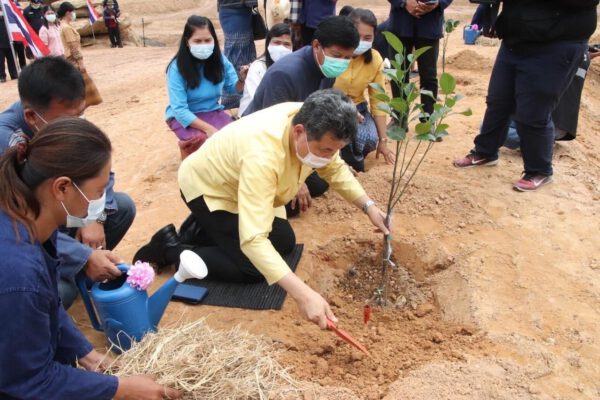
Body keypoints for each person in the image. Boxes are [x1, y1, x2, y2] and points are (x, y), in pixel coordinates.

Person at [0, 118, 182, 400]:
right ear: (62, 188)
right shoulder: (20, 274)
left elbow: (49, 303)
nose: (100, 202)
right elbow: (29, 382)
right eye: (98, 192)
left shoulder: (29, 217)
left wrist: (84, 353)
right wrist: (120, 389)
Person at [176, 89, 389, 329]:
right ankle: (170, 249)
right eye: (326, 150)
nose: (330, 157)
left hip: (245, 187)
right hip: (210, 190)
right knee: (253, 269)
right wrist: (305, 295)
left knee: (284, 242)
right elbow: (254, 240)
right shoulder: (263, 155)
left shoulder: (311, 117)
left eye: (335, 150)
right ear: (298, 132)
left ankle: (206, 229)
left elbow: (335, 168)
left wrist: (368, 207)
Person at [0, 57, 136, 309]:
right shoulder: (5, 141)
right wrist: (83, 257)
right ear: (31, 116)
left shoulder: (58, 122)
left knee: (122, 206)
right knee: (57, 292)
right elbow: (20, 224)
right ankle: (69, 276)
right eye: (71, 117)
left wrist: (94, 218)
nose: (78, 123)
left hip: (57, 219)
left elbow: (98, 169)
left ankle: (73, 271)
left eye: (81, 114)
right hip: (25, 235)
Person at [454, 0, 597, 192]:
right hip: (515, 39)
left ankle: (539, 170)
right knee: (498, 101)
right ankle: (485, 152)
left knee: (533, 112)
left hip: (556, 44)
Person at [243, 15, 358, 217]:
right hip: (261, 144)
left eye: (348, 58)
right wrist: (298, 181)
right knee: (293, 201)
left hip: (299, 135)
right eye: (337, 55)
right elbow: (273, 130)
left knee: (324, 178)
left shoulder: (325, 68)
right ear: (316, 46)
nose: (342, 63)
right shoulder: (286, 75)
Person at [165, 15, 247, 159]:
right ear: (187, 42)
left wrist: (242, 80)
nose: (203, 45)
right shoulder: (176, 68)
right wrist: (209, 129)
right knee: (203, 140)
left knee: (235, 138)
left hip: (212, 111)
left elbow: (233, 89)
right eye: (197, 41)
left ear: (214, 40)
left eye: (208, 40)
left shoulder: (220, 60)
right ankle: (187, 149)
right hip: (184, 117)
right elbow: (179, 109)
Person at [334, 8, 395, 172]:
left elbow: (378, 100)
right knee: (337, 133)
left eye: (367, 38)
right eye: (357, 35)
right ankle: (338, 160)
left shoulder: (375, 59)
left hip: (359, 108)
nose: (361, 41)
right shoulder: (335, 54)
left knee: (368, 139)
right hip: (332, 106)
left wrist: (383, 140)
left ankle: (350, 157)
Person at [387, 0, 453, 117]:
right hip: (401, 21)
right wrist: (404, 2)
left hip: (429, 24)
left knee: (429, 75)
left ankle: (428, 120)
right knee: (398, 75)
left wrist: (438, 3)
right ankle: (399, 119)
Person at [239, 23, 292, 116]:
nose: (281, 47)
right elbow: (257, 101)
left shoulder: (293, 68)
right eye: (277, 43)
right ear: (268, 44)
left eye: (286, 44)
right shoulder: (258, 67)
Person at [58, 1, 103, 108]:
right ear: (68, 13)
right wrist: (80, 63)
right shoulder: (67, 28)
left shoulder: (63, 25)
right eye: (72, 12)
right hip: (72, 60)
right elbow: (73, 47)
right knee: (78, 86)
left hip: (68, 60)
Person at [217, 0, 257, 109]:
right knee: (236, 54)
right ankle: (233, 101)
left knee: (244, 52)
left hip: (241, 11)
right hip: (233, 10)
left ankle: (245, 97)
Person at [0, 11, 18, 83]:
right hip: (0, 44)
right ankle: (2, 76)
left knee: (12, 59)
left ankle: (13, 74)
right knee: (0, 61)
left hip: (10, 42)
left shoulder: (7, 16)